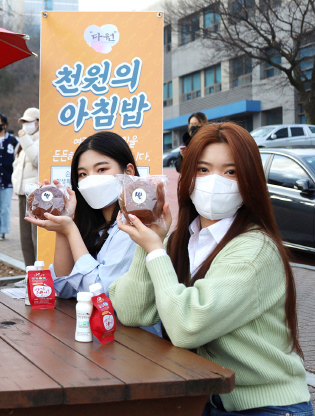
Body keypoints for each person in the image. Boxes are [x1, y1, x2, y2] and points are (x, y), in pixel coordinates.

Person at [110, 123, 312, 415]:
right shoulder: (185, 239)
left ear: (250, 181)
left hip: (267, 406)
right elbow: (131, 311)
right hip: (206, 399)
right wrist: (150, 242)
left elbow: (187, 326)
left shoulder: (254, 249)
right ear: (187, 176)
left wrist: (155, 251)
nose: (215, 181)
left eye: (231, 172)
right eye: (203, 170)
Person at [24, 132, 161, 335]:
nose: (91, 180)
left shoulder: (137, 226)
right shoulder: (93, 226)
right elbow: (62, 288)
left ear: (128, 171)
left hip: (139, 342)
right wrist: (64, 224)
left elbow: (100, 294)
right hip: (101, 336)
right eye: (83, 174)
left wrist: (70, 231)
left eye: (102, 169)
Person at [12, 107, 40, 266]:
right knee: (25, 237)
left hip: (36, 194)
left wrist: (24, 140)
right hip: (23, 193)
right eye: (23, 122)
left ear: (38, 122)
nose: (25, 125)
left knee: (35, 235)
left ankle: (38, 272)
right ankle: (28, 271)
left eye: (29, 122)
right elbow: (17, 165)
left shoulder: (39, 139)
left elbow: (37, 160)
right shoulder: (24, 141)